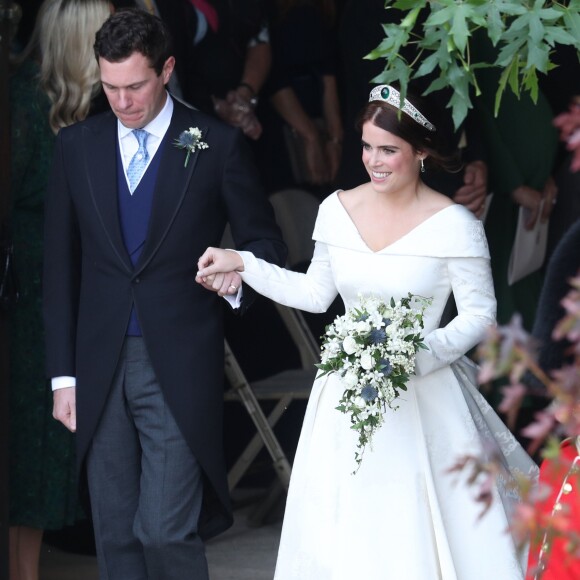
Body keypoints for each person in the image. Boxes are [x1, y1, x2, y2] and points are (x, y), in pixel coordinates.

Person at [196, 85, 538, 579]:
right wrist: (243, 263)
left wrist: (418, 354)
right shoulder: (337, 208)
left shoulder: (456, 224)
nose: (373, 161)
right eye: (366, 146)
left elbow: (480, 316)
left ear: (420, 152)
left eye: (388, 150)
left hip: (426, 391)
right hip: (345, 394)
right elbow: (316, 294)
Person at [42, 8, 286, 580]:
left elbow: (265, 245)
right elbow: (60, 268)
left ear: (168, 69)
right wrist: (61, 377)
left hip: (179, 359)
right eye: (109, 87)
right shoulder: (76, 146)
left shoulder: (216, 144)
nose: (122, 102)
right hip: (96, 364)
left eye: (135, 86)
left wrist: (236, 276)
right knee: (116, 531)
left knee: (164, 528)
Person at [9, 1, 111, 579]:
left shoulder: (83, 109)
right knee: (29, 447)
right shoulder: (25, 105)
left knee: (50, 449)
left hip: (65, 296)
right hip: (26, 298)